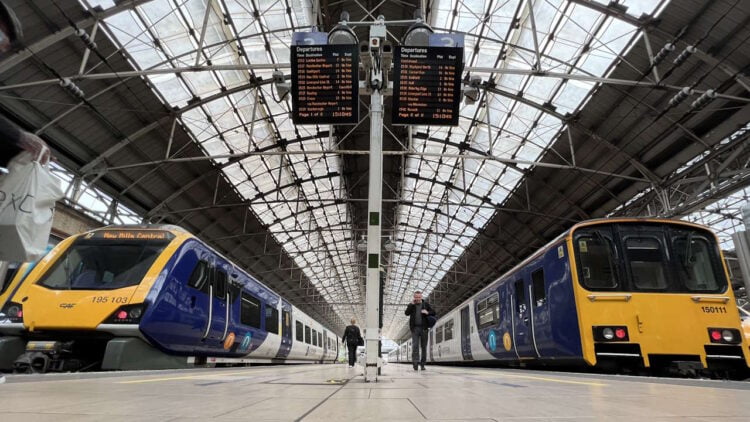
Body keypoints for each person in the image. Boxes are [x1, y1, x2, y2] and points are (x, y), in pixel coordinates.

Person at [404, 290, 435, 371]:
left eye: (419, 297)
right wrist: (411, 305)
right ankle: (415, 364)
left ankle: (422, 365)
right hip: (415, 329)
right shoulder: (412, 305)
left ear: (421, 297)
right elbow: (406, 313)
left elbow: (434, 312)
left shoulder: (426, 304)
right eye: (416, 297)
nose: (417, 299)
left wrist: (427, 312)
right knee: (415, 346)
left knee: (423, 347)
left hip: (424, 328)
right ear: (414, 297)